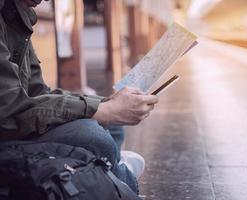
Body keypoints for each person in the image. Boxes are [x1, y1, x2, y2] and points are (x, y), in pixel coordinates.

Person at [0, 0, 159, 193]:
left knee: (113, 127)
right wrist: (103, 111)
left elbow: (37, 92)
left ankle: (108, 167)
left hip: (16, 122)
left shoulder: (19, 12)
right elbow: (10, 113)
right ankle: (120, 179)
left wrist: (105, 104)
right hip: (7, 133)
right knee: (94, 137)